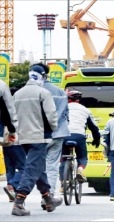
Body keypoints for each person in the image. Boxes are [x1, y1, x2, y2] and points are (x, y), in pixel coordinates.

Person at [11, 63, 61, 216]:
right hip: (39, 136)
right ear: (42, 77)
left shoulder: (17, 94)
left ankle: (48, 198)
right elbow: (51, 116)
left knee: (37, 167)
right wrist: (52, 129)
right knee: (33, 168)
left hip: (22, 136)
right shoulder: (43, 93)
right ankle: (19, 201)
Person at [36, 63, 70, 209]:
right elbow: (65, 113)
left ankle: (23, 196)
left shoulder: (33, 91)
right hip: (58, 133)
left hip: (37, 134)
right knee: (52, 166)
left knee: (35, 165)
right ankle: (48, 196)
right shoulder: (60, 91)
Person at [60, 90, 100, 184]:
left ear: (68, 99)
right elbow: (94, 128)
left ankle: (63, 183)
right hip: (79, 136)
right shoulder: (85, 110)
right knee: (82, 157)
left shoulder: (62, 108)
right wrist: (96, 139)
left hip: (64, 135)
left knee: (63, 158)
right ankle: (80, 169)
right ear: (78, 100)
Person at [2, 86, 26, 202]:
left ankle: (11, 193)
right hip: (16, 139)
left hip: (5, 140)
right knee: (23, 167)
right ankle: (12, 186)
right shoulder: (18, 106)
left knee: (10, 168)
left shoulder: (6, 106)